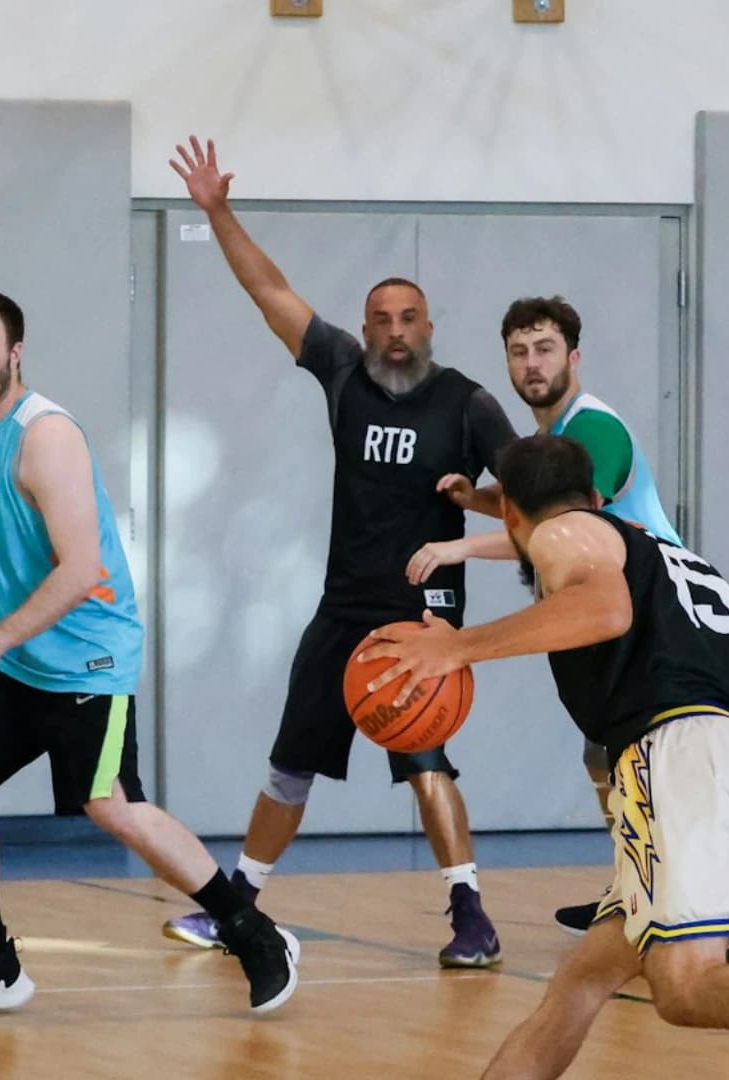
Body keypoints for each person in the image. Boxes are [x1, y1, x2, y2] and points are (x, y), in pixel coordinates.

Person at [356, 434, 729, 1080]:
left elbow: (606, 608)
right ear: (598, 496)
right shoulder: (671, 557)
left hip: (679, 761)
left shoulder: (562, 533)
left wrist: (459, 648)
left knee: (684, 985)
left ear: (509, 509)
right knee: (581, 982)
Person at [159, 136, 520, 968]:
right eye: (381, 320)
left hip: (419, 616)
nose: (395, 332)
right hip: (342, 607)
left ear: (429, 327)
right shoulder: (342, 371)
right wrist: (217, 211)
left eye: (408, 318)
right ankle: (239, 909)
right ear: (364, 330)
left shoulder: (468, 404)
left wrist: (474, 509)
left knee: (426, 763)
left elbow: (529, 506)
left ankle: (471, 915)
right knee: (291, 763)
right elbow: (268, 290)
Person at [0, 290, 298, 1015]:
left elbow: (82, 569)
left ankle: (251, 930)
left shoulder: (46, 437)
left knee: (111, 805)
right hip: (21, 657)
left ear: (15, 353)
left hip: (87, 656)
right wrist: (3, 646)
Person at [405, 295, 729, 965]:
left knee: (690, 973)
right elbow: (551, 515)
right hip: (703, 635)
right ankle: (642, 884)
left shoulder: (595, 432)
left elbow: (567, 530)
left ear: (575, 356)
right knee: (609, 765)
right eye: (519, 352)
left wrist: (460, 556)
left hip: (658, 631)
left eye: (545, 349)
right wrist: (483, 501)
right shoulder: (558, 442)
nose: (532, 364)